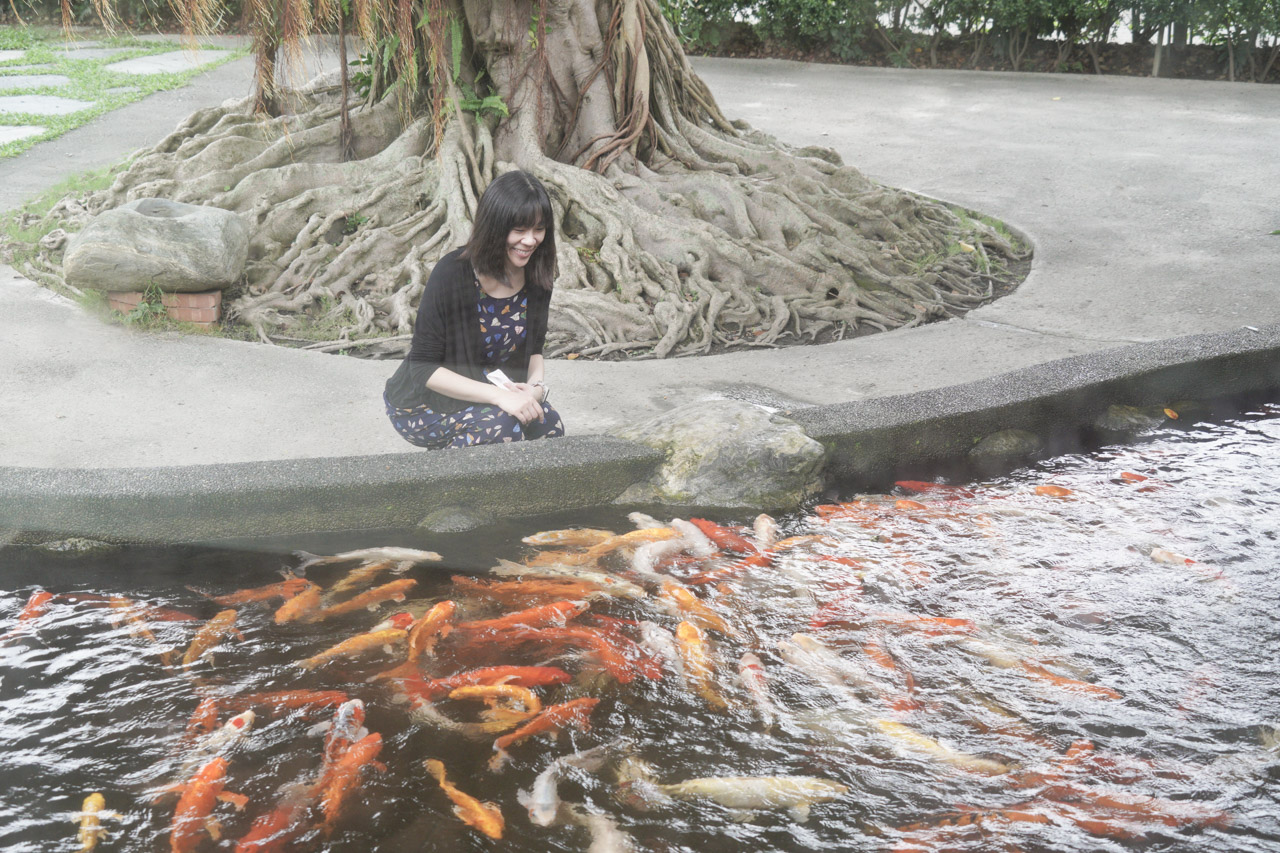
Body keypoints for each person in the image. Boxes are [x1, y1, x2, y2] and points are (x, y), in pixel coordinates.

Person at [383, 171, 565, 448]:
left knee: (548, 426)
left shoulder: (537, 276)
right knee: (501, 427)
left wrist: (535, 389)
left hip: (487, 391)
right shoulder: (452, 273)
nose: (530, 240)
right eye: (519, 230)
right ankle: (442, 484)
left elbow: (535, 351)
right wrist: (499, 397)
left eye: (538, 229)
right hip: (423, 403)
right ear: (495, 226)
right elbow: (423, 368)